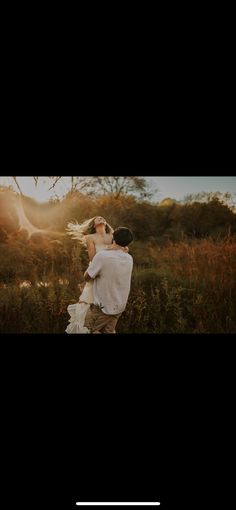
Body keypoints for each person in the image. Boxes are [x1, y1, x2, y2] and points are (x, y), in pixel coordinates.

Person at [65, 217, 128, 333]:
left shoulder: (113, 235)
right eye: (97, 218)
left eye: (102, 218)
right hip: (96, 272)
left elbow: (124, 249)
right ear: (94, 224)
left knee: (108, 302)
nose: (100, 218)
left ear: (105, 222)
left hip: (111, 273)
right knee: (90, 305)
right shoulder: (90, 237)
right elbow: (93, 258)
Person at [84, 227, 134, 334]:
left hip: (103, 306)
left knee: (85, 329)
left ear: (113, 237)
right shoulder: (129, 258)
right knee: (108, 331)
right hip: (119, 305)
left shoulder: (102, 256)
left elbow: (87, 277)